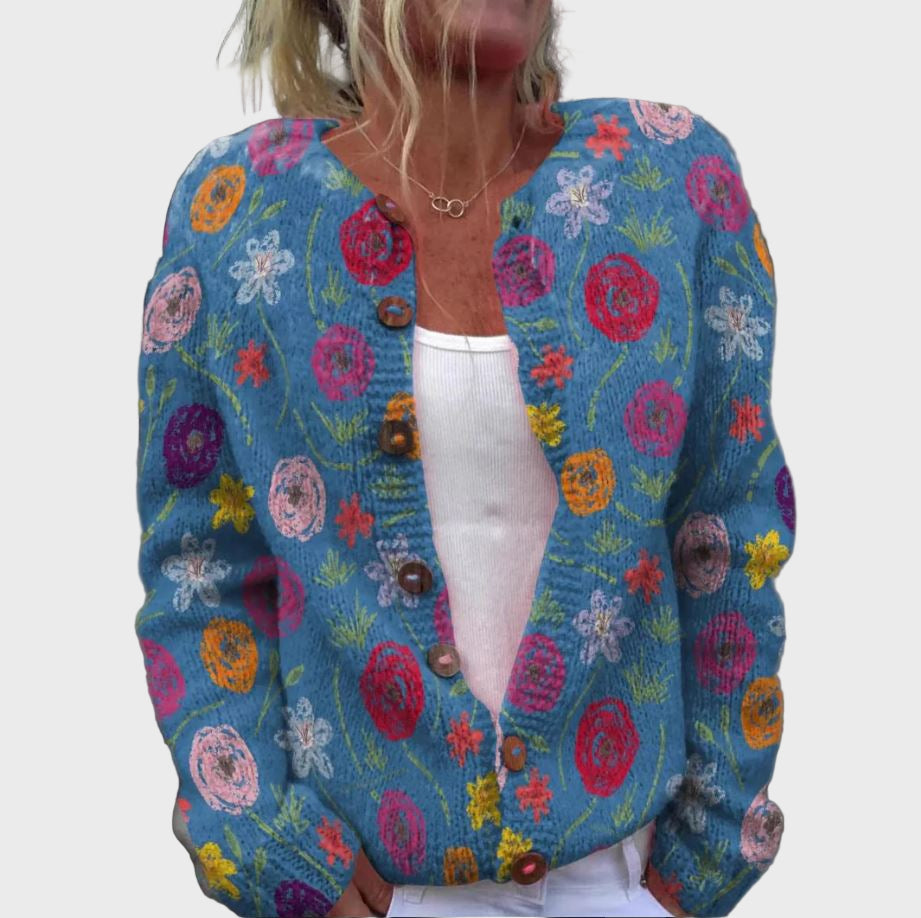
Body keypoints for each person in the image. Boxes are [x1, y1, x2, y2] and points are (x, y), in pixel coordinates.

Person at [134, 2, 796, 916]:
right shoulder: (240, 209)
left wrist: (704, 860)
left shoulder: (670, 179)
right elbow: (200, 569)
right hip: (369, 888)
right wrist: (265, 845)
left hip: (624, 879)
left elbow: (727, 533)